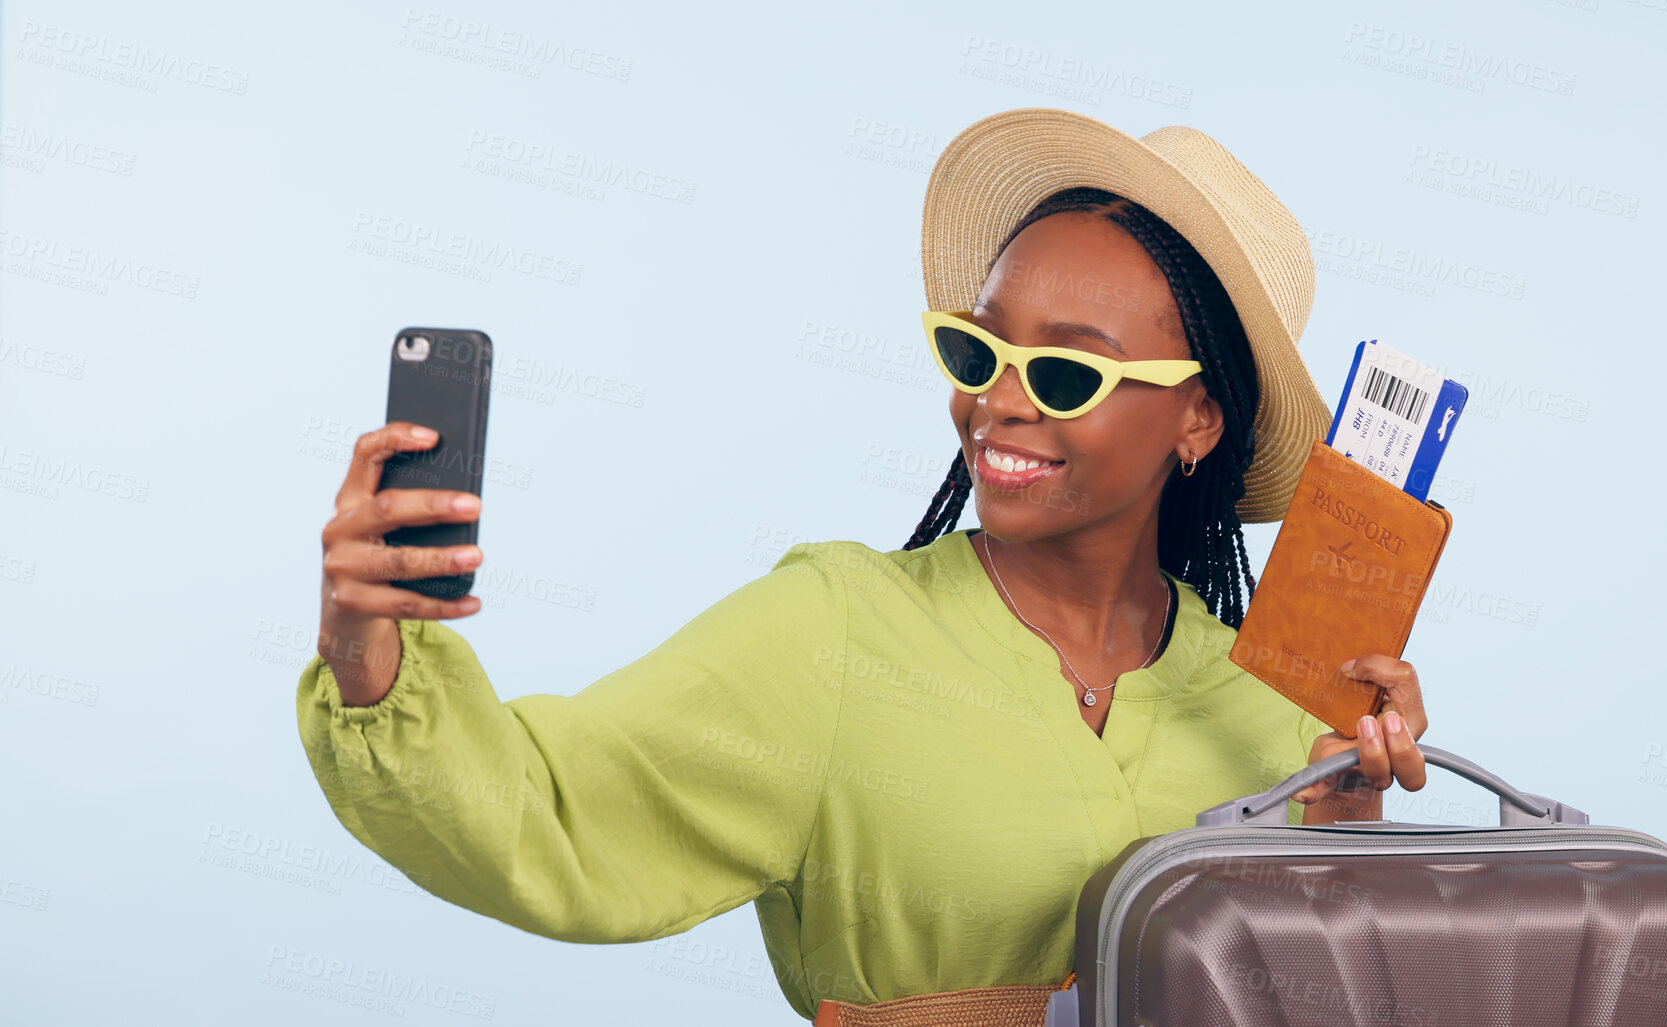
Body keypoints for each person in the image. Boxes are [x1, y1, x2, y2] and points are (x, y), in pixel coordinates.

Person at [298, 107, 1431, 1024]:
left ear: (1199, 419)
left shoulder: (1279, 707)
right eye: (976, 348)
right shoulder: (833, 637)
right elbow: (542, 816)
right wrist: (367, 646)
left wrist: (1343, 832)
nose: (999, 401)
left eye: (1070, 374)